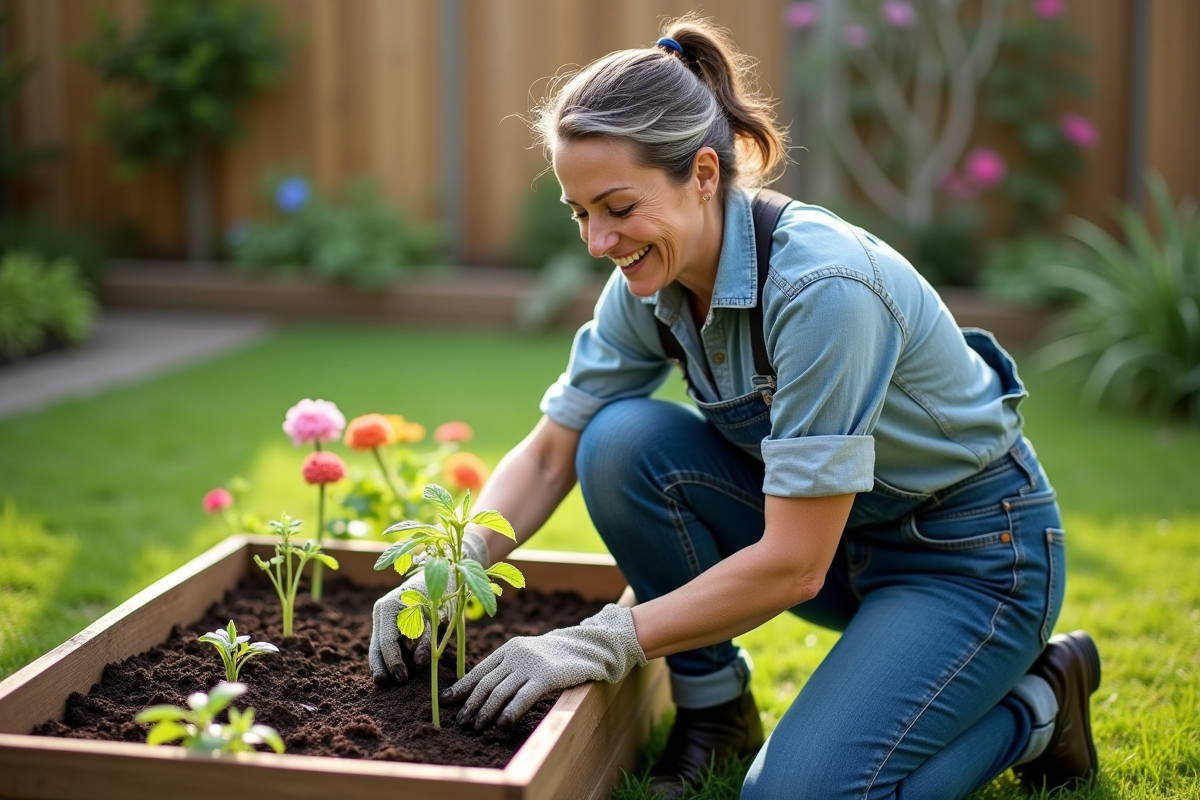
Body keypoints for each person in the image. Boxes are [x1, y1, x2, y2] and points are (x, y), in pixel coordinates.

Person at [368, 15, 1101, 799]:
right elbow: (553, 451)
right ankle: (714, 708)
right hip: (845, 545)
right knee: (618, 441)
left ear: (706, 175)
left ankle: (1039, 703)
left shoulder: (823, 292)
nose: (597, 241)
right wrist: (451, 566)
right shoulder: (651, 283)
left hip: (968, 559)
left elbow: (792, 563)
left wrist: (600, 640)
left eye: (617, 207)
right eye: (579, 212)